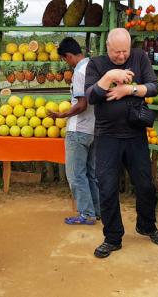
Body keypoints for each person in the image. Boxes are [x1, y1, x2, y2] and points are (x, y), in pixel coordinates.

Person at [85, 28, 158, 259]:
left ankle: (147, 225)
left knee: (145, 185)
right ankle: (112, 237)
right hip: (107, 136)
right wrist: (110, 76)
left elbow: (153, 87)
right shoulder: (96, 64)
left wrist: (128, 89)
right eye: (116, 52)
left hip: (135, 135)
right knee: (108, 188)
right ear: (108, 48)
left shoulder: (140, 57)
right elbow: (91, 96)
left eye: (125, 51)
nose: (122, 56)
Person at [49, 37, 100, 225]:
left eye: (65, 59)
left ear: (69, 56)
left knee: (76, 175)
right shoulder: (93, 66)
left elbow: (81, 104)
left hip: (78, 129)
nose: (66, 63)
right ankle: (96, 210)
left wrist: (62, 115)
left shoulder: (79, 71)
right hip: (94, 128)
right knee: (90, 173)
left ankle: (86, 214)